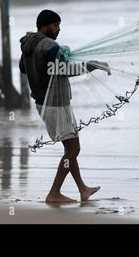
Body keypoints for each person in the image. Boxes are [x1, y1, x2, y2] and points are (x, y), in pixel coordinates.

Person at [19, 10, 105, 203]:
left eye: (59, 25)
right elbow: (64, 70)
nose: (58, 29)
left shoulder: (28, 45)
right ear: (43, 26)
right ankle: (54, 193)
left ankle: (83, 189)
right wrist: (92, 66)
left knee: (69, 147)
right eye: (55, 25)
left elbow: (23, 68)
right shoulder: (49, 46)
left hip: (43, 104)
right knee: (73, 149)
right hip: (56, 104)